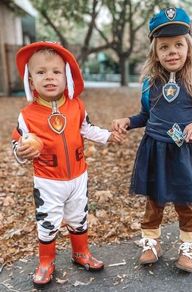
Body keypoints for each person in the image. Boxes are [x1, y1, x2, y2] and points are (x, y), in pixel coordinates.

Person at [112, 7, 192, 273]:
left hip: (186, 153)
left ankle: (187, 246)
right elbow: (145, 115)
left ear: (189, 47)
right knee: (155, 201)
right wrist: (128, 121)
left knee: (187, 203)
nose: (172, 51)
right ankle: (151, 242)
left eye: (178, 45)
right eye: (164, 47)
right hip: (155, 151)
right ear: (155, 52)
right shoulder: (150, 85)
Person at [11, 41, 124, 288]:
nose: (49, 77)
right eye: (40, 72)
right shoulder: (27, 115)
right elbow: (16, 142)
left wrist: (107, 136)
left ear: (67, 77)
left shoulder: (76, 106)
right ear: (31, 81)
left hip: (77, 175)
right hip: (48, 179)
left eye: (56, 72)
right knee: (48, 219)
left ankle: (80, 252)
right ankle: (46, 261)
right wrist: (23, 150)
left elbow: (87, 129)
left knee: (78, 215)